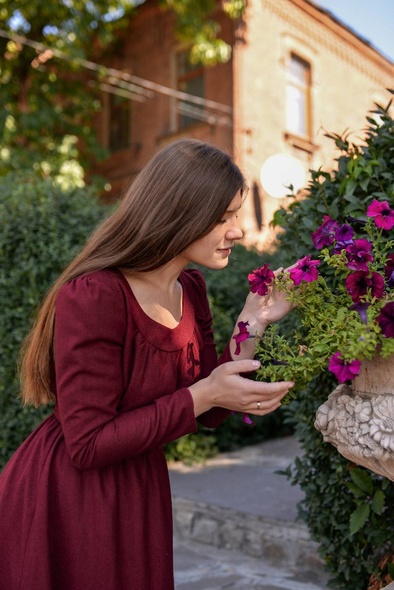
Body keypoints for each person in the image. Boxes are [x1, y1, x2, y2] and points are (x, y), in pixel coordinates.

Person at [0, 139, 294, 590]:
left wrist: (252, 321)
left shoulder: (190, 289)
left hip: (140, 488)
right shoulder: (96, 295)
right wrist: (206, 394)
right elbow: (89, 444)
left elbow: (211, 409)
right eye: (223, 218)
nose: (237, 230)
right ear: (180, 214)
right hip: (70, 500)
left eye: (236, 214)